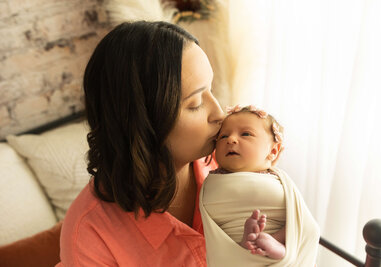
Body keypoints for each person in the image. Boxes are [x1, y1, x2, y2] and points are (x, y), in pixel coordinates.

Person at [56, 21, 226, 266]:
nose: (219, 113)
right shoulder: (90, 234)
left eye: (211, 90)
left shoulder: (228, 158)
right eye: (196, 102)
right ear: (143, 121)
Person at [199, 105, 320, 266]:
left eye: (246, 134)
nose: (231, 139)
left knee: (301, 228)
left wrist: (280, 236)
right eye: (223, 136)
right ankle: (250, 246)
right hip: (230, 249)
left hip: (283, 243)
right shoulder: (214, 181)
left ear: (273, 151)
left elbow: (304, 224)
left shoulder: (279, 179)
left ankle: (273, 243)